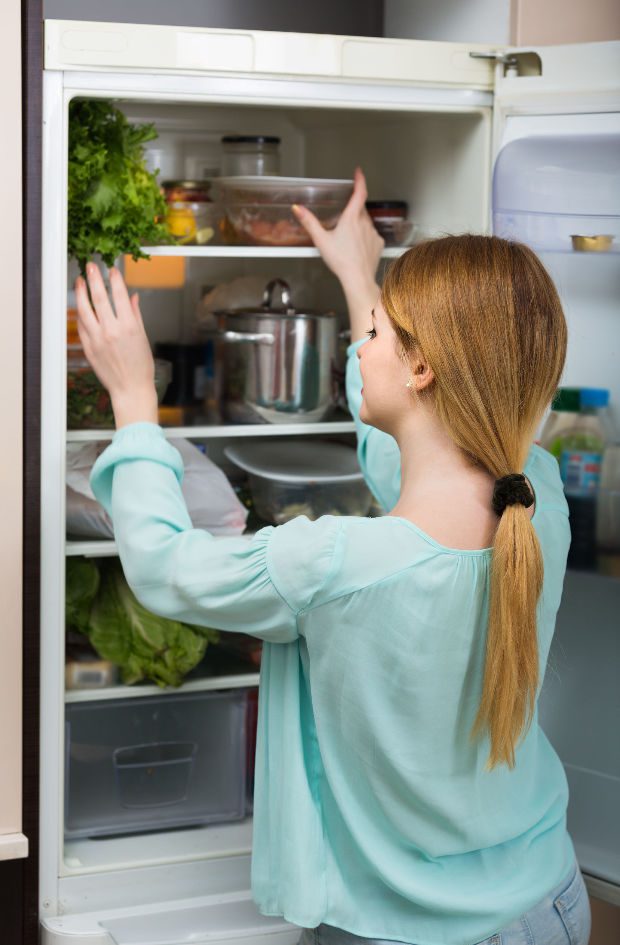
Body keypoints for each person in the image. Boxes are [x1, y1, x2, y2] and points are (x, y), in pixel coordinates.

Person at [76, 169, 591, 945]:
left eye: (375, 334)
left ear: (421, 369)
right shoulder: (537, 501)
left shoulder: (332, 563)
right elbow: (410, 459)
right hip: (548, 903)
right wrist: (358, 278)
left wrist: (135, 399)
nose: (364, 344)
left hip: (403, 931)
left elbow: (164, 568)